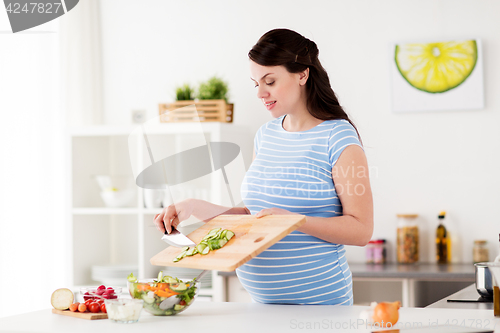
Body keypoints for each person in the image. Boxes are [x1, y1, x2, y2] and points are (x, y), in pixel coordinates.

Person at [154, 28, 373, 305]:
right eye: (255, 83)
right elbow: (255, 214)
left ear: (302, 74)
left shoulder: (337, 137)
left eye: (269, 81)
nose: (260, 92)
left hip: (319, 305)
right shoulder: (266, 134)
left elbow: (361, 230)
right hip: (262, 306)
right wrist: (194, 207)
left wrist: (295, 221)